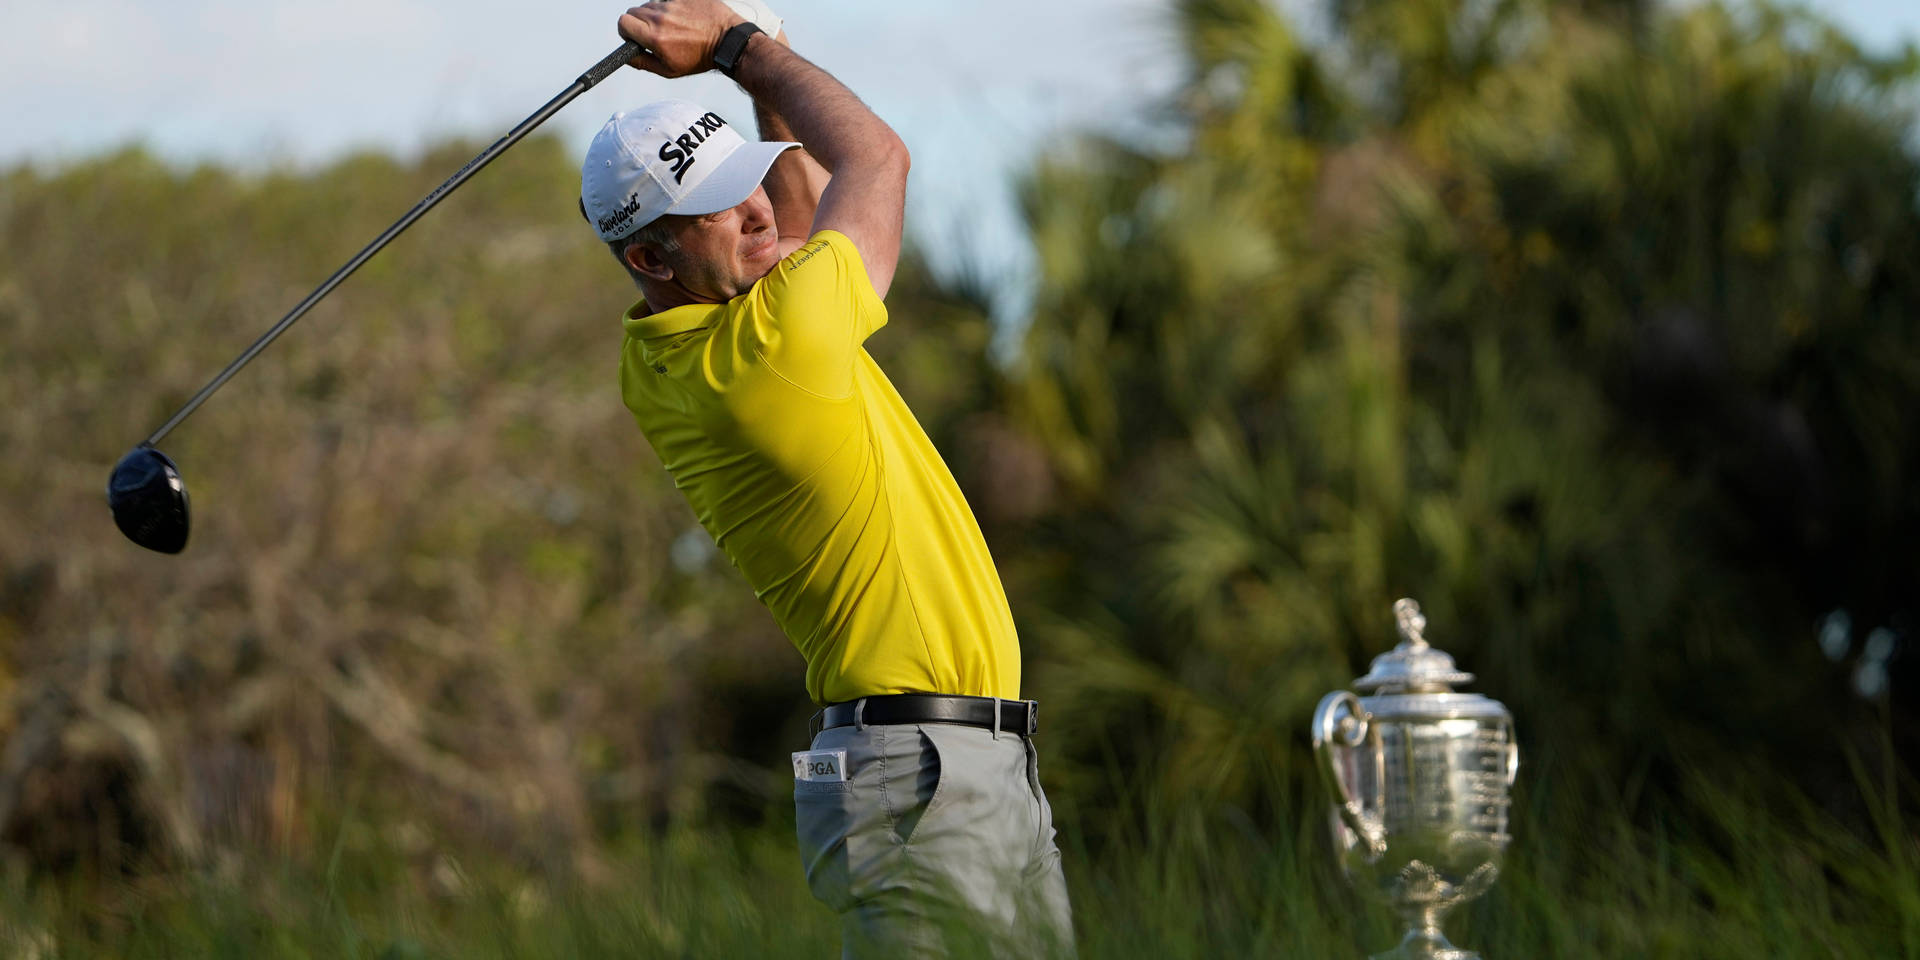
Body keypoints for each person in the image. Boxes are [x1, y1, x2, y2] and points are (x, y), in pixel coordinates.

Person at [577, 1, 1074, 955]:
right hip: (923, 774)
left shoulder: (669, 354)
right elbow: (877, 158)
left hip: (957, 768)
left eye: (747, 179)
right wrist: (742, 50)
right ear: (649, 255)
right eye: (718, 203)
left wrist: (766, 81)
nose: (755, 208)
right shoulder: (773, 350)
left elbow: (795, 225)